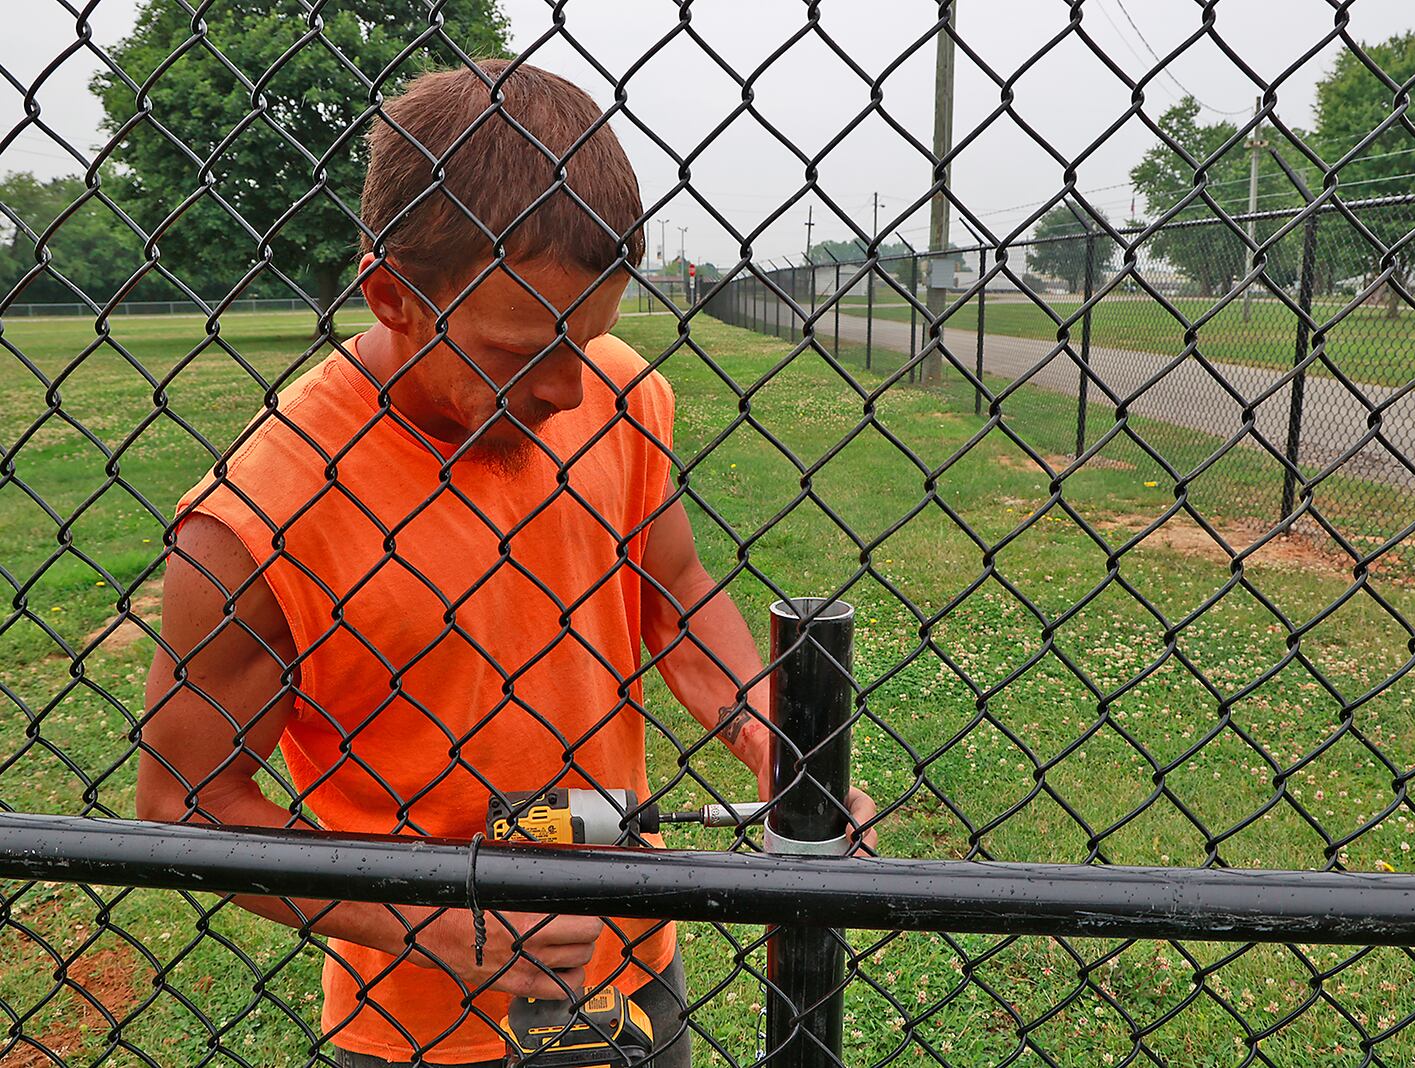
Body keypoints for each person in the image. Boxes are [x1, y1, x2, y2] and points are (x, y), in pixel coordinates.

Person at [137, 59, 877, 1068]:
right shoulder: (256, 521)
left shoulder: (620, 393)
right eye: (520, 353)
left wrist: (765, 738)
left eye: (592, 339)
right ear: (393, 296)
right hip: (423, 1028)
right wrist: (436, 921)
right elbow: (187, 804)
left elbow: (676, 590)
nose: (573, 392)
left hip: (630, 963)